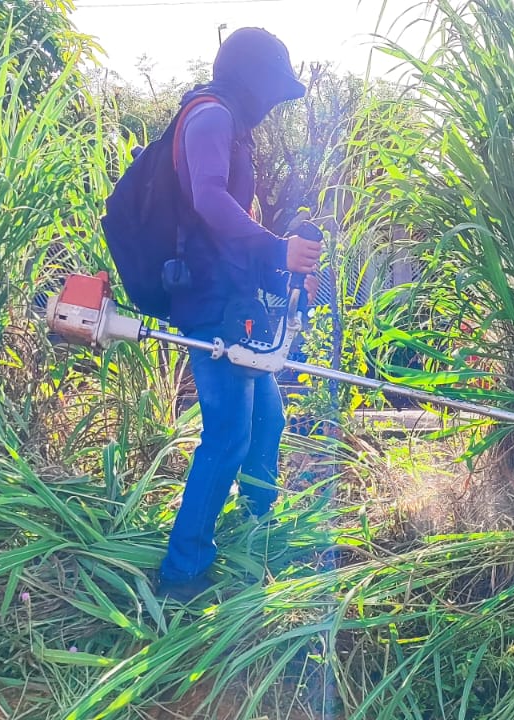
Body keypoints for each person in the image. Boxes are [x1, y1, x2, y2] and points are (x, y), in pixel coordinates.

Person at [158, 27, 322, 602]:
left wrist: (274, 260)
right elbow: (207, 197)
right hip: (210, 305)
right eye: (272, 91)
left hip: (232, 305)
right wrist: (277, 248)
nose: (273, 105)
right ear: (251, 80)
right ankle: (183, 573)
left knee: (268, 423)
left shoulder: (232, 126)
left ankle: (257, 529)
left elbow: (230, 223)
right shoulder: (210, 116)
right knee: (228, 435)